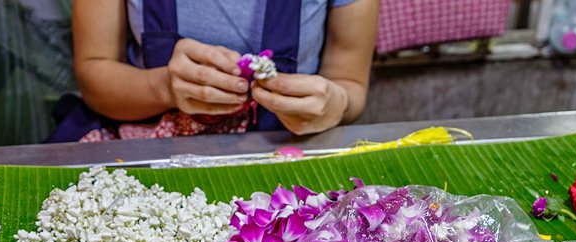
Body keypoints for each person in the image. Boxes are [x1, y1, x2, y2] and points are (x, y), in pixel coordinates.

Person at [63, 0, 378, 140]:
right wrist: (164, 87)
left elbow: (349, 83)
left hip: (282, 152)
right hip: (149, 146)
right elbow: (94, 74)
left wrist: (334, 103)